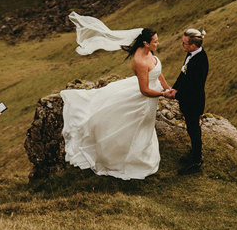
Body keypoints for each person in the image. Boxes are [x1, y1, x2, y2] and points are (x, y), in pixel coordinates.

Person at [60, 13, 174, 180]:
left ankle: (143, 155)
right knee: (139, 126)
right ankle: (130, 160)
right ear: (146, 43)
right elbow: (144, 90)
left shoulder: (150, 54)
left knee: (146, 127)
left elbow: (157, 73)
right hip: (145, 99)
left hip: (153, 94)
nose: (158, 43)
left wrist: (167, 87)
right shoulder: (140, 62)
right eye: (155, 41)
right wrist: (163, 94)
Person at [168, 28, 208, 174]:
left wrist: (176, 95)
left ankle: (196, 161)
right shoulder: (190, 55)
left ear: (193, 45)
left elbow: (194, 86)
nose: (182, 45)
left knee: (194, 130)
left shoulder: (200, 61)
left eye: (184, 43)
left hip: (194, 102)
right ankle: (193, 154)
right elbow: (183, 74)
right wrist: (174, 88)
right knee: (191, 129)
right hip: (187, 100)